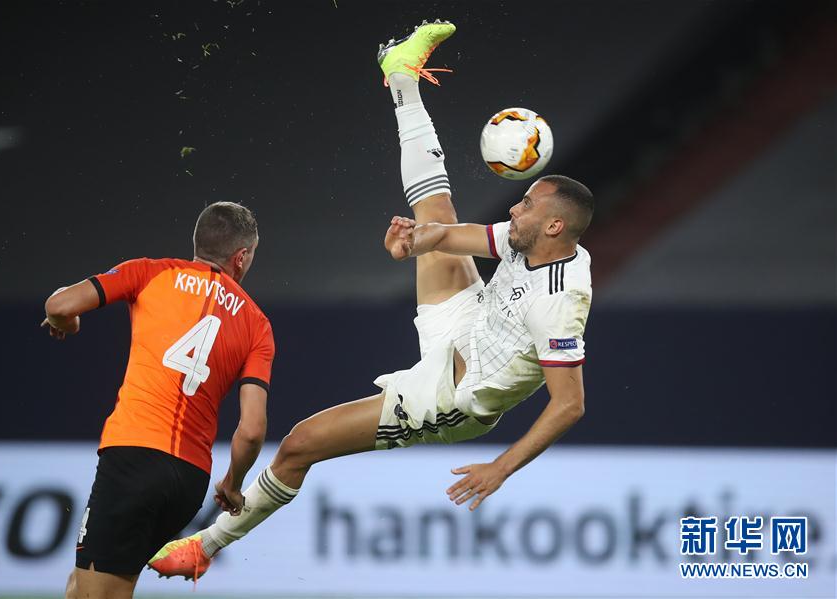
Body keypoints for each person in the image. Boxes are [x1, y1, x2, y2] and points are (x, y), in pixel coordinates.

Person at [149, 20, 593, 581]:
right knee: (436, 210)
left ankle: (205, 546)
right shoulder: (536, 239)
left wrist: (501, 468)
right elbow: (457, 234)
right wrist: (416, 242)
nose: (513, 209)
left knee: (301, 443)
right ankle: (401, 76)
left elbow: (569, 404)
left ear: (554, 226)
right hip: (468, 323)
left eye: (525, 205)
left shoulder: (560, 301)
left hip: (453, 394)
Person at [42, 202, 274, 598]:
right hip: (189, 481)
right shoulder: (257, 324)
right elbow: (252, 430)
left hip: (133, 458)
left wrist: (68, 321)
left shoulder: (150, 272)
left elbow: (59, 306)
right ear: (241, 256)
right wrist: (233, 484)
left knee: (95, 592)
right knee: (83, 585)